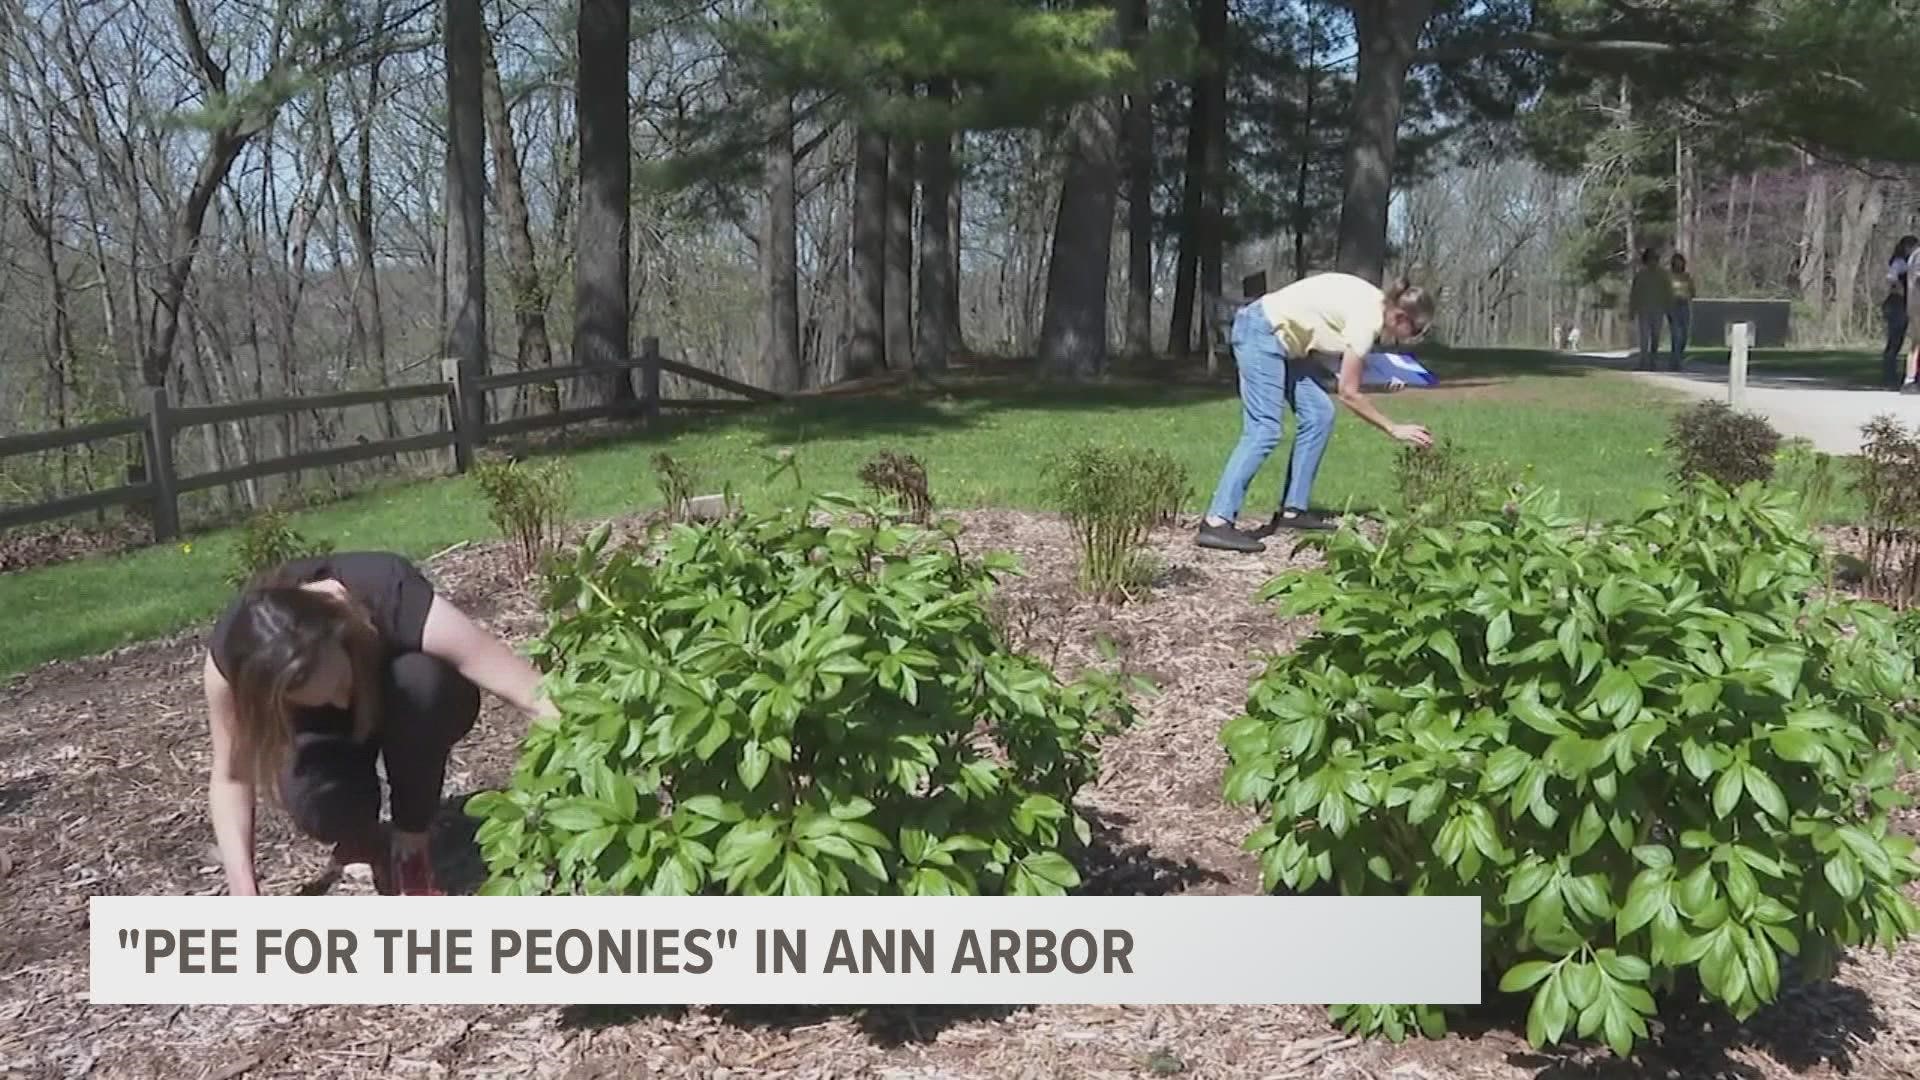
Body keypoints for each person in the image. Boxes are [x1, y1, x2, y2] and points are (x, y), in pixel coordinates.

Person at [203, 551, 558, 896]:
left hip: (409, 703)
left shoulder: (385, 587)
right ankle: (366, 837)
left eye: (342, 685)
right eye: (324, 698)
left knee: (421, 681)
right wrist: (244, 892)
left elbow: (525, 689)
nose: (341, 701)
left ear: (339, 631)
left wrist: (593, 747)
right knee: (321, 807)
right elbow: (232, 776)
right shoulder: (236, 662)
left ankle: (411, 841)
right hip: (325, 734)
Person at [1196, 273, 1436, 554]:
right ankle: (1217, 520)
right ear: (1401, 318)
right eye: (1417, 331)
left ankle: (1293, 511)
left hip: (1287, 345)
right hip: (1261, 331)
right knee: (1264, 429)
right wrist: (1393, 428)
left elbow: (1330, 359)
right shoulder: (1366, 321)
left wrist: (1376, 382)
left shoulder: (1373, 301)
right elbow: (1348, 392)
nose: (1413, 338)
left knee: (1319, 413)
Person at [1628, 248, 1672, 372]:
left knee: (1655, 336)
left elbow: (1668, 292)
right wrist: (1632, 310)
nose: (1652, 262)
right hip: (1643, 310)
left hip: (1659, 309)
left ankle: (1653, 361)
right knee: (1644, 337)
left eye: (1654, 259)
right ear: (1646, 261)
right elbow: (1634, 294)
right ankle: (1643, 362)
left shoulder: (1663, 275)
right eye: (1650, 259)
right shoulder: (1640, 275)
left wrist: (1669, 308)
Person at [1883, 235, 1918, 389]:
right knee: (1895, 342)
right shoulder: (1899, 262)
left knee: (1915, 341)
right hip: (1897, 303)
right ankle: (1890, 377)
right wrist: (1900, 288)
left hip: (1911, 303)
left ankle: (1911, 375)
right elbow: (1891, 277)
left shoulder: (1914, 262)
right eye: (1910, 246)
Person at [1666, 253, 1695, 371]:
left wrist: (1687, 295)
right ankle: (1675, 361)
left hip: (1684, 305)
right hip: (1672, 306)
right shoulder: (1668, 276)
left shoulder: (1687, 277)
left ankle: (1678, 357)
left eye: (1680, 262)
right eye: (1676, 262)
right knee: (1676, 334)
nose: (1679, 264)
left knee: (1684, 335)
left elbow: (1693, 292)